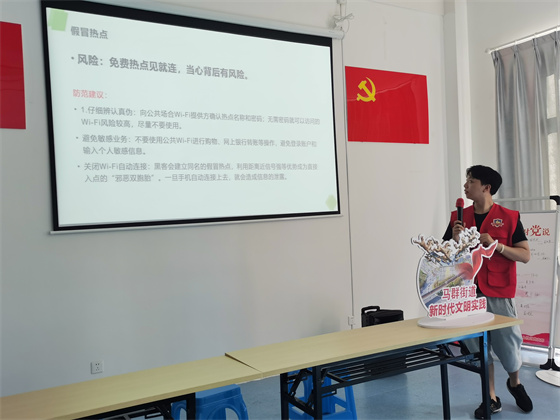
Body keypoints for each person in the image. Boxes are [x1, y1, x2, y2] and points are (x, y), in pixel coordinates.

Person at [443, 165, 533, 418]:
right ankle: (490, 397)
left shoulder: (509, 217)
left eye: (471, 181)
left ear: (486, 187)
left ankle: (515, 383)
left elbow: (525, 255)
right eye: (466, 180)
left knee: (508, 346)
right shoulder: (458, 217)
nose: (465, 185)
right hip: (468, 293)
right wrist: (453, 239)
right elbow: (444, 256)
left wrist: (497, 246)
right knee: (478, 350)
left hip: (499, 291)